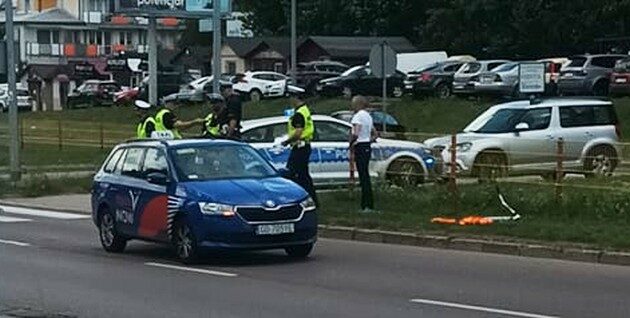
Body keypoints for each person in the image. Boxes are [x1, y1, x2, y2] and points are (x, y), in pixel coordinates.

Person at [281, 89, 318, 205]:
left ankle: (296, 200)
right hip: (304, 146)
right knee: (303, 176)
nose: (289, 101)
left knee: (291, 174)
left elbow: (298, 132)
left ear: (295, 98)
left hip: (300, 147)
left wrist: (287, 141)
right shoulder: (304, 110)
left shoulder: (299, 114)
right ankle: (312, 200)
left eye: (290, 98)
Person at [349, 96, 378, 213]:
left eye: (353, 103)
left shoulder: (358, 116)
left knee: (363, 176)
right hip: (366, 145)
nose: (351, 106)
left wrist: (351, 142)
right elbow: (375, 134)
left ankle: (365, 205)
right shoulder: (368, 116)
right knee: (365, 175)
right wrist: (368, 140)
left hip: (360, 146)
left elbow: (356, 133)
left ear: (358, 104)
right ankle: (368, 203)